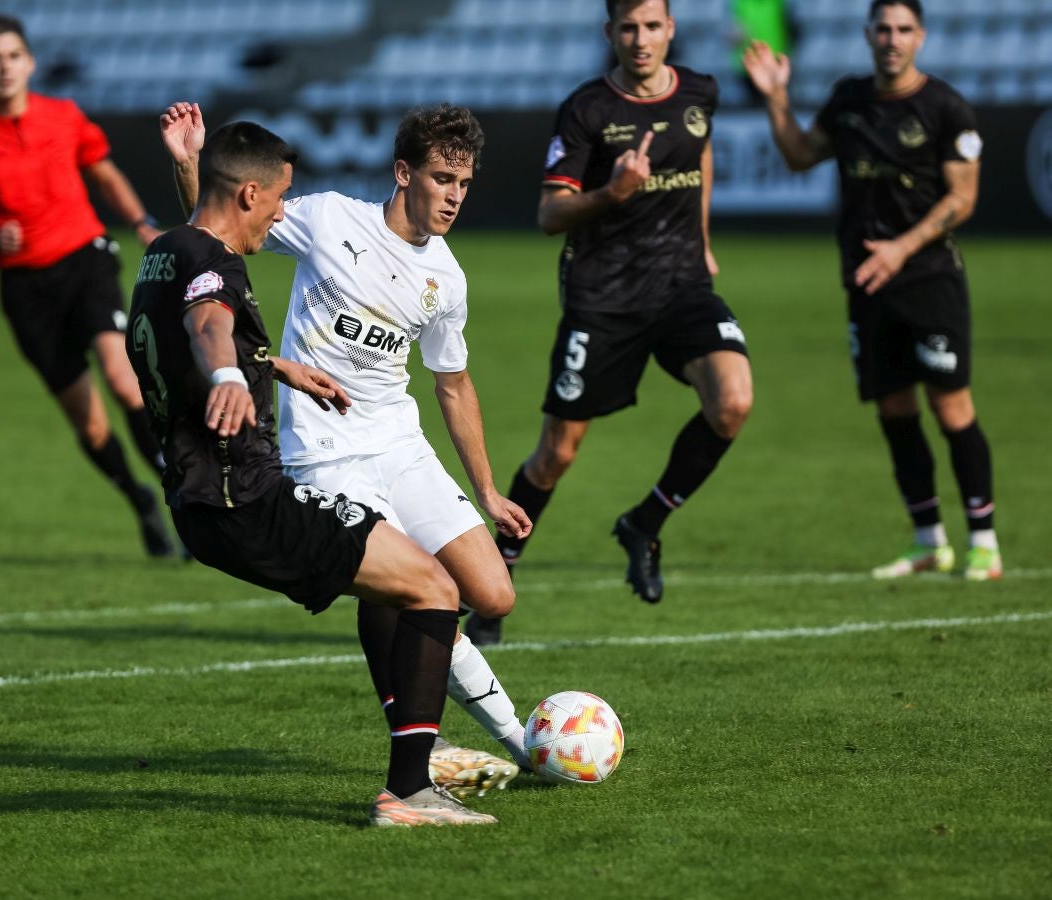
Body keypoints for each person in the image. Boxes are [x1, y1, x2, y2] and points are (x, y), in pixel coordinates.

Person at [127, 119, 497, 827]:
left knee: (418, 583)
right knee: (432, 587)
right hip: (249, 496)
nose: (279, 214)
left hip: (198, 501)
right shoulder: (222, 269)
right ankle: (410, 789)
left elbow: (191, 306)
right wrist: (234, 371)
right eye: (275, 199)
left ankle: (421, 768)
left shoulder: (165, 252)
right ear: (251, 194)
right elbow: (208, 322)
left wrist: (278, 367)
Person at [484, 0, 753, 634]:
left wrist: (704, 237)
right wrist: (613, 193)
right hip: (602, 296)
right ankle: (498, 574)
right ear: (610, 33)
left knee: (733, 402)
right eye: (627, 28)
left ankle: (644, 525)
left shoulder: (700, 92)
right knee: (557, 453)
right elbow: (550, 215)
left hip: (682, 286)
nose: (640, 39)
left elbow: (700, 155)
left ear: (670, 30)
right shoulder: (587, 110)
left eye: (652, 26)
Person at [743, 0, 1001, 581]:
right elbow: (800, 155)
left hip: (929, 280)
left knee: (951, 406)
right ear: (868, 35)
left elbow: (963, 198)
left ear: (921, 37)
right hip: (865, 283)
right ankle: (928, 539)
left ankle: (984, 539)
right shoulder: (851, 99)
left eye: (903, 29)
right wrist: (776, 98)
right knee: (894, 408)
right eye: (883, 29)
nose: (892, 39)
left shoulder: (945, 108)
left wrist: (900, 249)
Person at [0, 15, 174, 557]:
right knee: (90, 426)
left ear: (30, 62)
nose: (4, 67)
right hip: (24, 289)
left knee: (122, 376)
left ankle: (177, 489)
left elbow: (105, 173)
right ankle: (137, 498)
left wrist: (139, 220)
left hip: (84, 262)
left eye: (13, 55)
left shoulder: (63, 117)